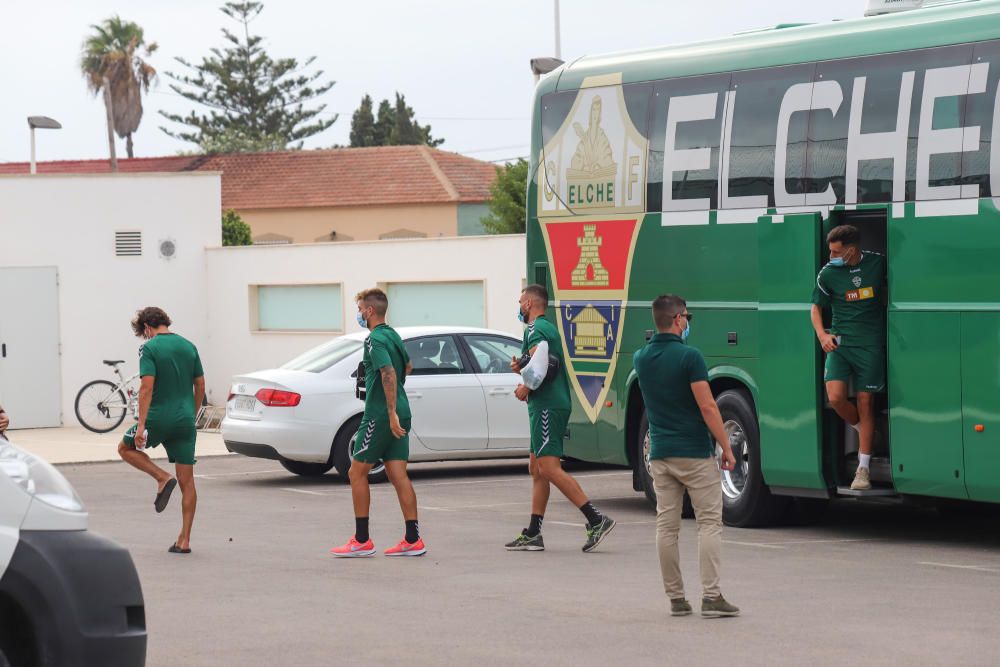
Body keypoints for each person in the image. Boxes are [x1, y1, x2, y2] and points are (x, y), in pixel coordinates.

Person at [634, 295, 740, 618]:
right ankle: (711, 596)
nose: (688, 323)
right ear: (679, 319)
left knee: (667, 526)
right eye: (687, 318)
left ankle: (677, 599)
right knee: (709, 523)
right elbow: (708, 407)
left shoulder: (641, 358)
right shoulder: (690, 357)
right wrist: (727, 446)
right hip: (694, 452)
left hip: (661, 454)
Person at [505, 284, 616, 553]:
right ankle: (533, 532)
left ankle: (596, 519)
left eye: (521, 302)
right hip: (547, 404)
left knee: (549, 467)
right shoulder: (545, 329)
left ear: (530, 304)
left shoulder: (535, 329)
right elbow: (540, 361)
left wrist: (525, 386)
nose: (519, 307)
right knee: (537, 467)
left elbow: (541, 366)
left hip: (547, 406)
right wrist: (522, 366)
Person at [331, 288, 425, 558]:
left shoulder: (373, 340)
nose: (359, 314)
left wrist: (390, 411)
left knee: (356, 472)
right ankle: (413, 539)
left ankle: (362, 540)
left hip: (381, 415)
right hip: (400, 411)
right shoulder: (393, 335)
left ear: (370, 311)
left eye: (360, 310)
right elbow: (407, 366)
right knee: (398, 475)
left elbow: (389, 372)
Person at [117, 307, 205, 554]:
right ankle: (184, 540)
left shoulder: (150, 348)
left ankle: (161, 477)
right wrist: (193, 412)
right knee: (188, 481)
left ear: (147, 327)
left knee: (125, 448)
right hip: (185, 420)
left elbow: (146, 387)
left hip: (159, 417)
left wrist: (142, 425)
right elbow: (200, 383)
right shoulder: (189, 346)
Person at [811, 225, 887, 491]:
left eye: (835, 251)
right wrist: (823, 335)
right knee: (835, 398)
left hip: (870, 346)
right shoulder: (828, 273)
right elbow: (815, 308)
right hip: (841, 344)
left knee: (867, 403)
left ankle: (863, 469)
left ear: (852, 250)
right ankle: (863, 428)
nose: (831, 255)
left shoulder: (878, 263)